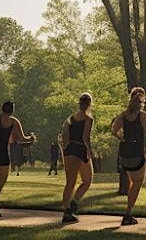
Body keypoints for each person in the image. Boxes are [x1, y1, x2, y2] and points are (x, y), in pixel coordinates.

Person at [112, 87, 146, 226]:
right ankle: (127, 214)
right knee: (137, 183)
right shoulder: (143, 115)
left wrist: (122, 137)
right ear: (142, 100)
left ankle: (128, 214)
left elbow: (114, 130)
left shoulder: (123, 115)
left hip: (125, 154)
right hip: (138, 153)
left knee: (132, 182)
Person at [0, 101, 36, 219]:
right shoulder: (12, 121)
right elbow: (22, 138)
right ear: (12, 110)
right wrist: (31, 138)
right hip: (2, 152)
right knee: (2, 180)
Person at [61, 93, 94, 224]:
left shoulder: (70, 119)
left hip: (69, 150)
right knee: (87, 180)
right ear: (90, 103)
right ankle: (72, 205)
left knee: (70, 182)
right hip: (80, 149)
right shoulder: (88, 119)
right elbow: (86, 137)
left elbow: (64, 135)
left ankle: (67, 209)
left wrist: (66, 148)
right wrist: (89, 152)